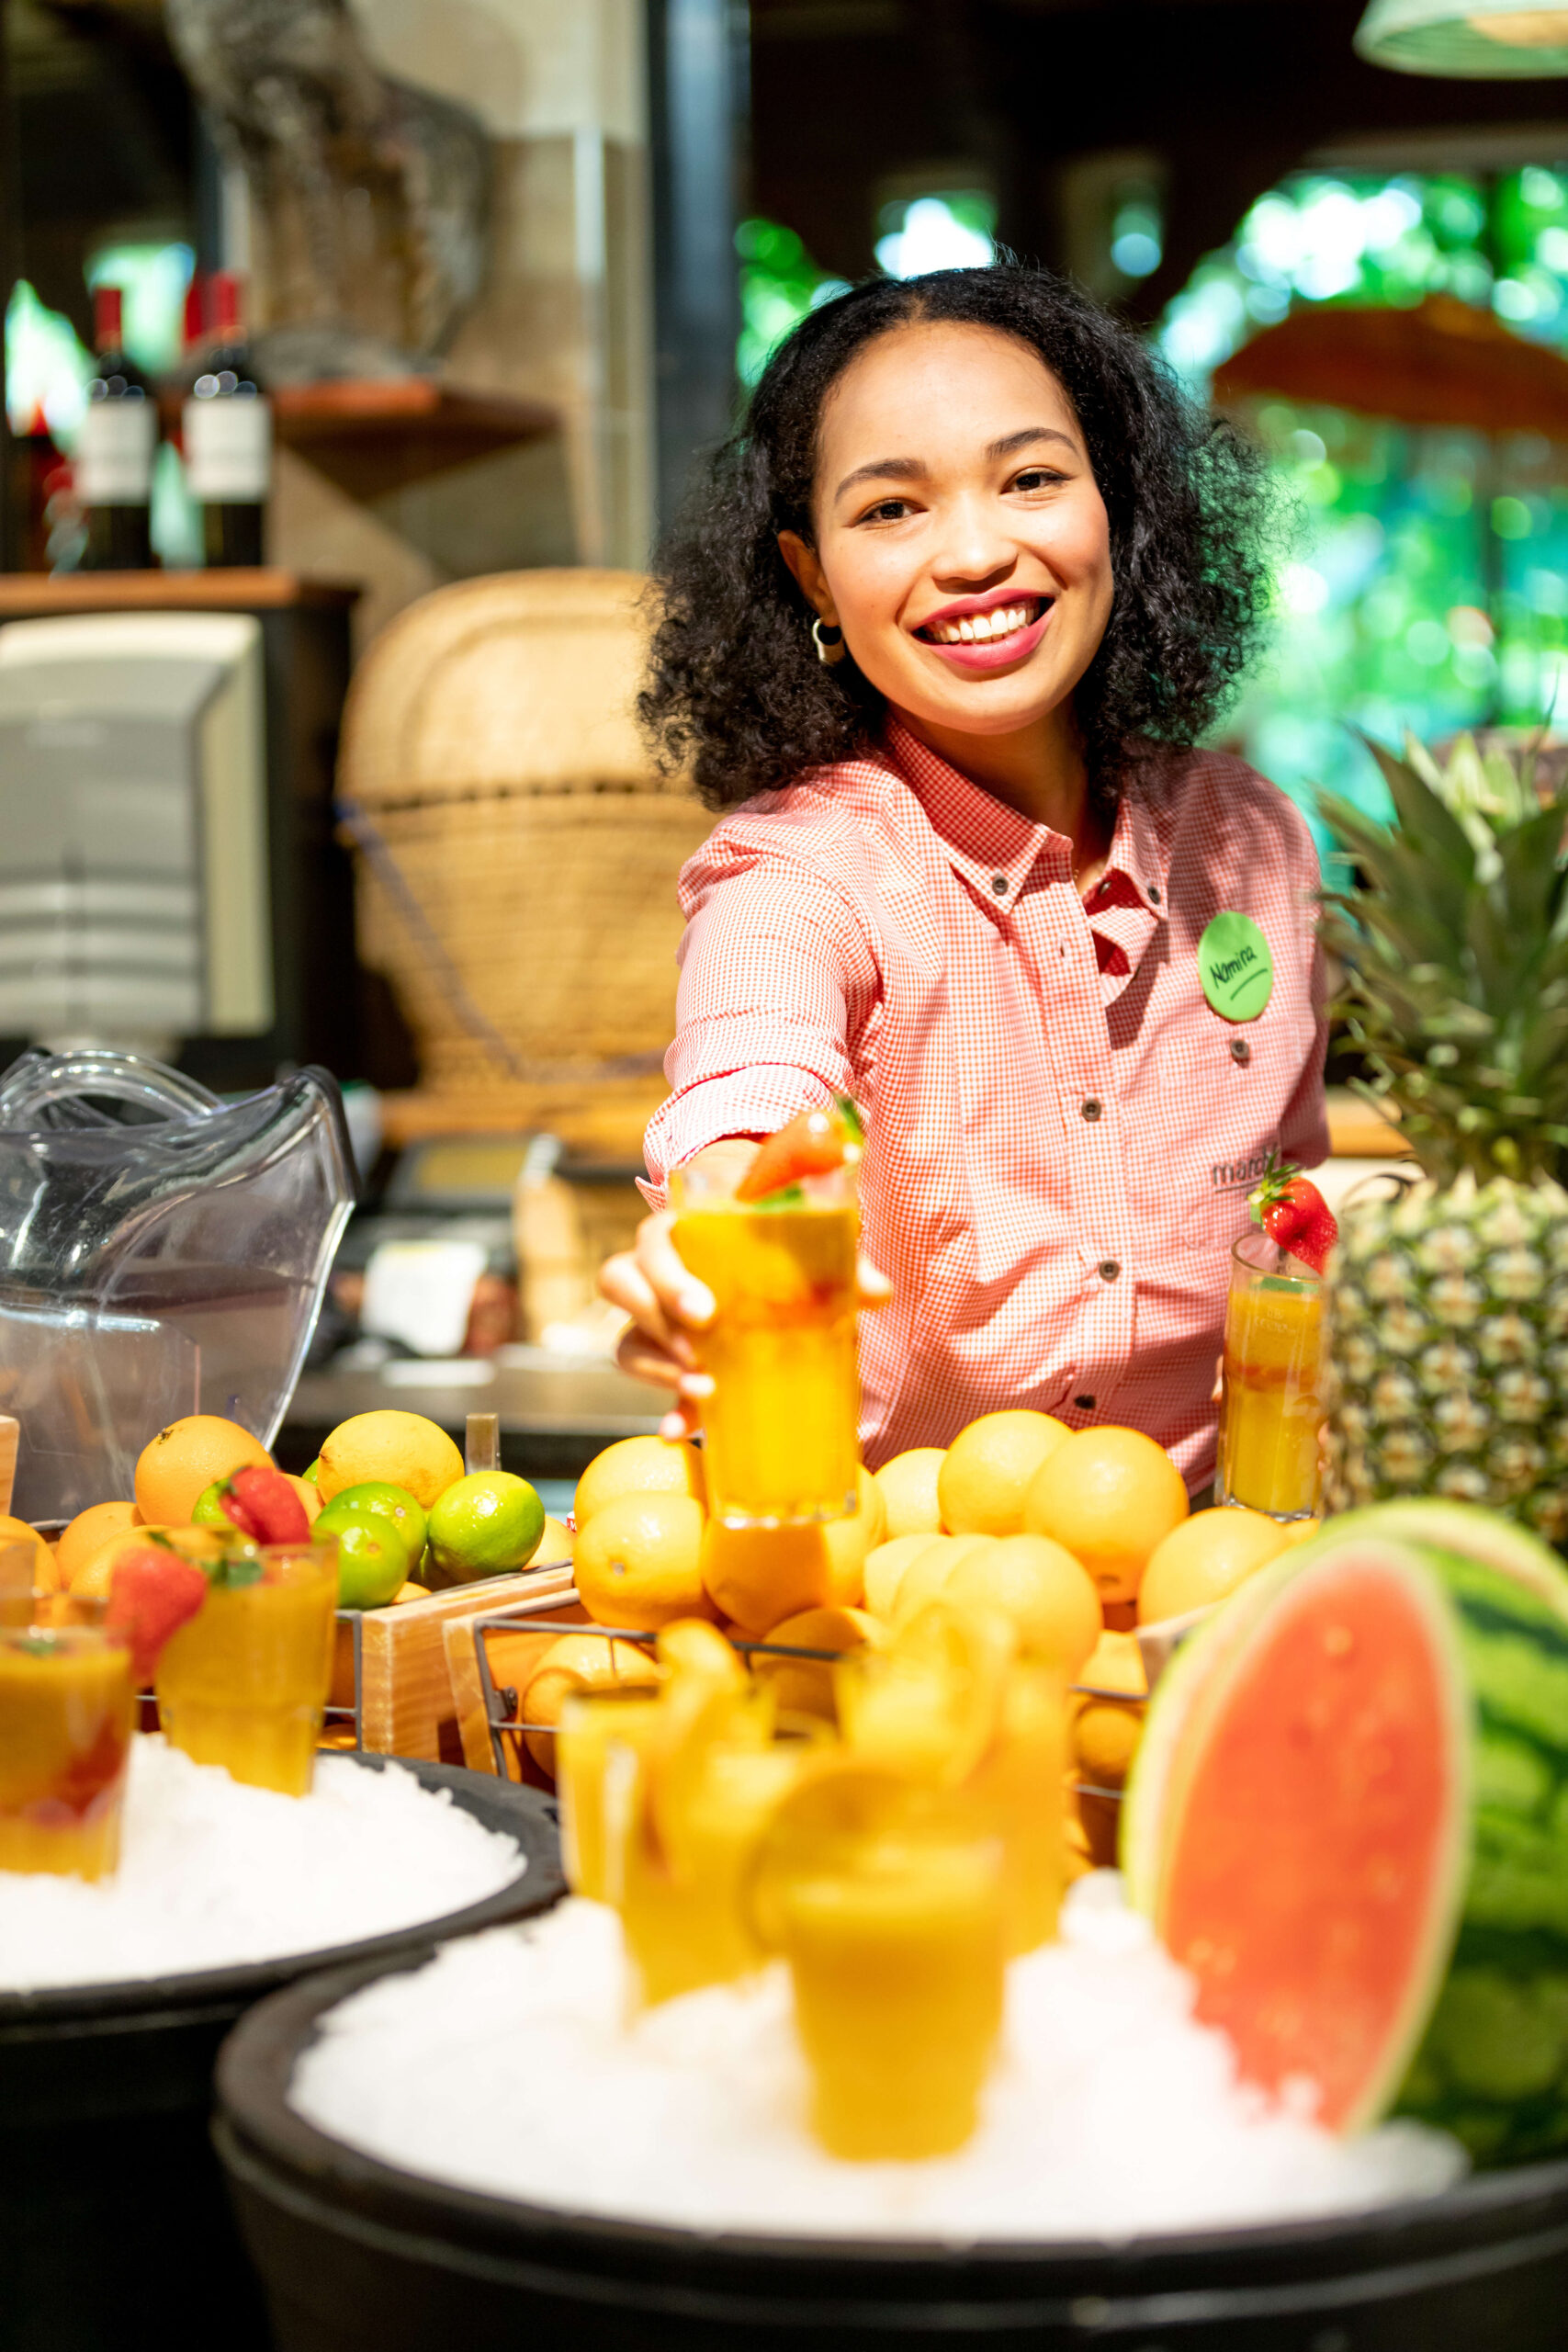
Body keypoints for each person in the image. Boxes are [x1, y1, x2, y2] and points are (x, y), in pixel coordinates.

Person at [600, 263, 1326, 1494]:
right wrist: (714, 1234)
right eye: (892, 509)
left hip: (1229, 1564)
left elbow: (1286, 1220)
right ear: (813, 574)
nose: (979, 552)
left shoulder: (1253, 843)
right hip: (903, 1596)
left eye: (1033, 479)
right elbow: (749, 1092)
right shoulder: (797, 877)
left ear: (1119, 504)